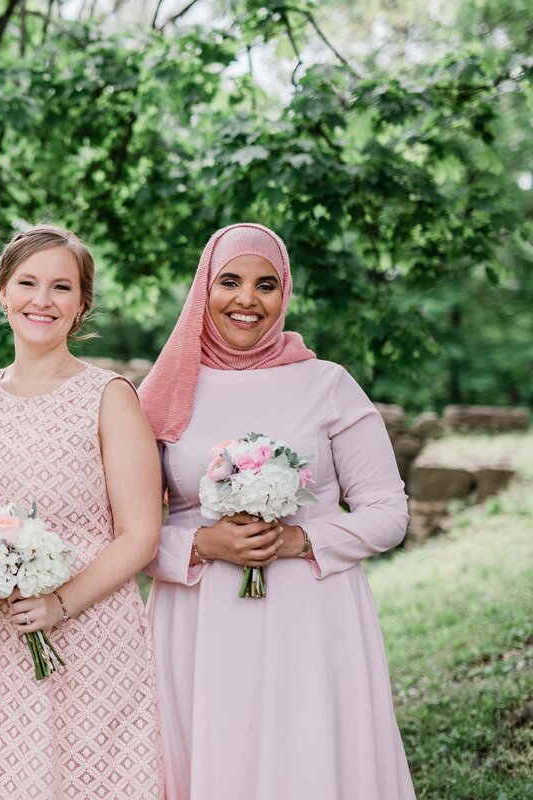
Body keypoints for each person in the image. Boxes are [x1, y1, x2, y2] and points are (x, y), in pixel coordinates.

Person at [139, 222, 416, 799]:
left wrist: (301, 542)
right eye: (230, 281)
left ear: (284, 293)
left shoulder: (328, 385)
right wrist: (197, 546)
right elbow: (123, 526)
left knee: (306, 757)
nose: (247, 299)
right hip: (199, 619)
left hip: (310, 616)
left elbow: (388, 511)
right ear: (203, 290)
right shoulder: (163, 391)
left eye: (266, 284)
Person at [0, 224, 165, 799]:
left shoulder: (109, 396)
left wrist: (60, 603)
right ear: (3, 293)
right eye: (27, 283)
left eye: (61, 287)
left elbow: (140, 535)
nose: (43, 300)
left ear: (81, 303)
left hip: (89, 638)